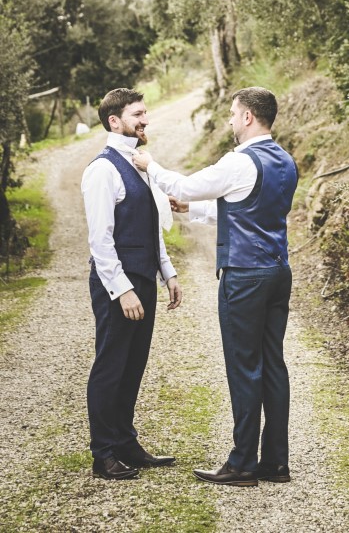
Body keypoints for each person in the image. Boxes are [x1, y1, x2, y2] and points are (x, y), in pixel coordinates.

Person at [133, 86, 298, 488]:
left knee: (244, 369)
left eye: (231, 113)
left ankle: (242, 463)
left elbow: (186, 186)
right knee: (273, 365)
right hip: (278, 273)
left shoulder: (240, 161)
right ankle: (276, 462)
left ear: (247, 117)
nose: (228, 119)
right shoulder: (285, 161)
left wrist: (150, 164)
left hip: (244, 276)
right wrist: (197, 210)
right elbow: (247, 207)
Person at [82, 87, 183, 481]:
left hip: (144, 279)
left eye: (146, 113)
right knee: (111, 365)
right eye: (138, 114)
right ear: (114, 121)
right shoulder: (102, 169)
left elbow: (151, 226)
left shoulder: (139, 163)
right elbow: (100, 239)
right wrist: (121, 288)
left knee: (134, 364)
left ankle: (125, 443)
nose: (145, 120)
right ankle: (103, 453)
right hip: (117, 285)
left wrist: (168, 273)